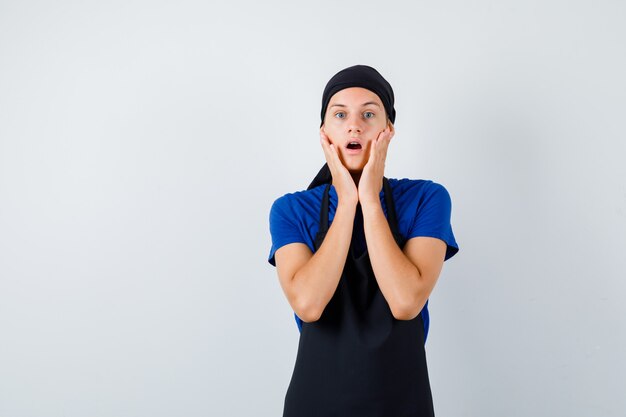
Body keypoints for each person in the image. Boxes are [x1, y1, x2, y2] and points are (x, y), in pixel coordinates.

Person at [267, 64, 460, 416]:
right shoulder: (291, 209)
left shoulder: (426, 199)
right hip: (315, 405)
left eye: (368, 114)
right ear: (324, 131)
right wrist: (347, 202)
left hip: (402, 404)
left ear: (388, 129)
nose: (354, 124)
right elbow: (308, 305)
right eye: (340, 114)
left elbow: (405, 302)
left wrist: (370, 200)